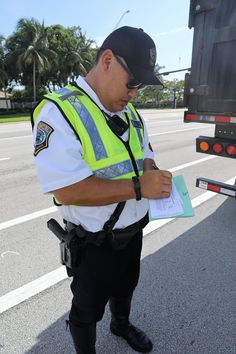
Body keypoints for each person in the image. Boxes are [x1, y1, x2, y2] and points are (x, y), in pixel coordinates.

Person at [32, 26, 172, 354]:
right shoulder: (60, 111)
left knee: (126, 286)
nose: (134, 92)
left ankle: (120, 324)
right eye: (132, 81)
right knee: (86, 309)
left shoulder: (132, 112)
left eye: (140, 85)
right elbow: (66, 190)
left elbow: (144, 153)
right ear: (107, 60)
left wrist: (150, 169)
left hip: (134, 230)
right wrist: (139, 186)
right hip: (94, 243)